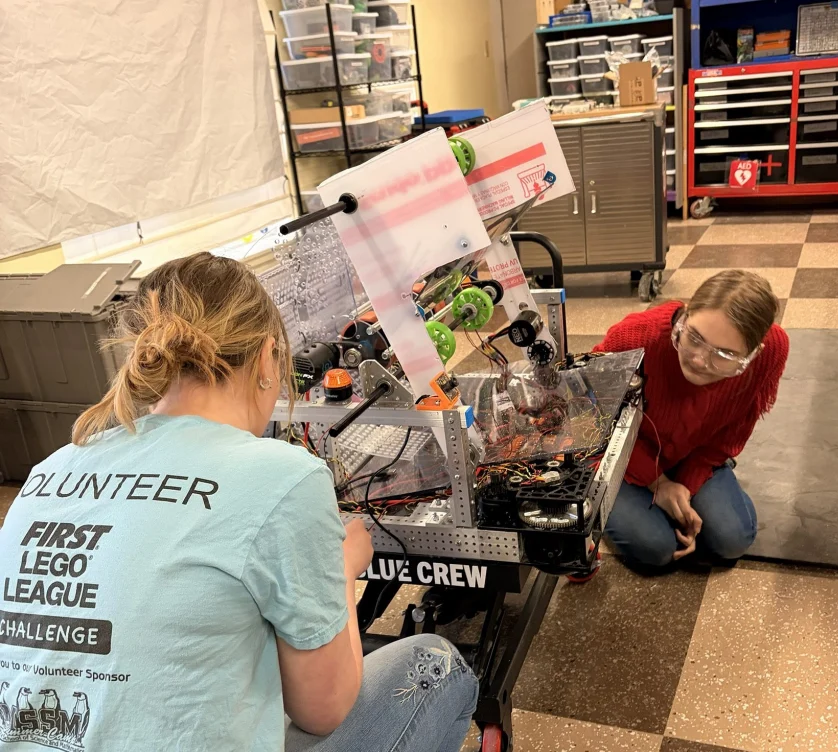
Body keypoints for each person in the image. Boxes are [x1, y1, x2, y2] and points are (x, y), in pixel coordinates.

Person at [0, 253, 477, 752]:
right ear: (270, 358)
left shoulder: (53, 467)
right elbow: (324, 711)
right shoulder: (285, 477)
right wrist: (341, 571)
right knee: (435, 663)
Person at [594, 270, 789, 568]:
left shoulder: (772, 350)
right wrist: (657, 483)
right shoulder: (636, 336)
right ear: (685, 315)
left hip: (693, 451)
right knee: (656, 548)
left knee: (732, 539)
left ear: (752, 355)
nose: (699, 359)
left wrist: (688, 481)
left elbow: (735, 428)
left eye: (724, 354)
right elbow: (593, 415)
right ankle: (609, 503)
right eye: (695, 337)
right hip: (625, 453)